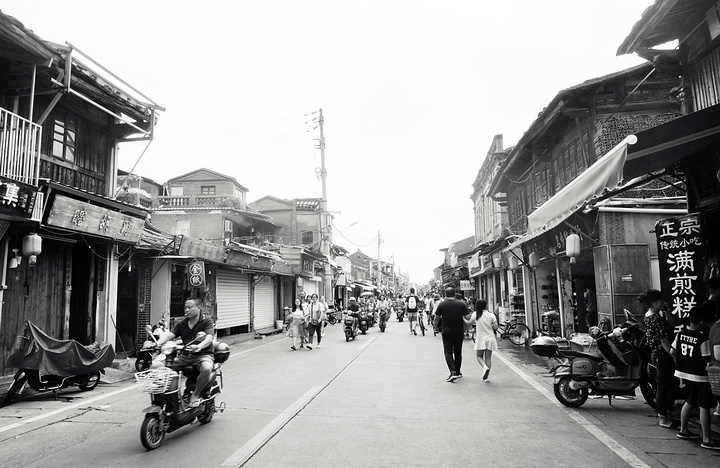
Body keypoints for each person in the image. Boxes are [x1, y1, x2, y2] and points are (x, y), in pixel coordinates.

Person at [670, 306, 720, 449]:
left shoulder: (681, 334)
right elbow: (707, 358)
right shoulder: (702, 339)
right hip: (701, 377)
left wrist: (682, 362)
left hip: (685, 374)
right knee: (704, 406)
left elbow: (672, 351)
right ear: (702, 322)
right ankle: (707, 439)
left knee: (689, 401)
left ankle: (683, 430)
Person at [156, 297, 214, 407]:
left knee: (206, 368)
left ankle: (196, 395)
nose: (186, 310)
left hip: (203, 355)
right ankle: (166, 398)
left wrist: (199, 346)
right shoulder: (181, 323)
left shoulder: (207, 321)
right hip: (185, 355)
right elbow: (169, 335)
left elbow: (209, 338)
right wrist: (157, 344)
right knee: (160, 367)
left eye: (190, 307)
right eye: (185, 308)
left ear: (199, 308)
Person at [639, 289, 678, 428]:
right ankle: (663, 418)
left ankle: (668, 414)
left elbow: (671, 326)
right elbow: (663, 340)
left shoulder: (652, 315)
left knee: (670, 385)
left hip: (660, 355)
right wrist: (673, 355)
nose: (663, 302)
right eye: (661, 301)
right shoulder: (654, 318)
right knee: (663, 387)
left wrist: (667, 311)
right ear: (654, 303)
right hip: (662, 355)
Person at [434, 286, 471, 382]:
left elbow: (436, 318)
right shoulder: (461, 304)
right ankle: (458, 372)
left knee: (448, 351)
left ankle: (452, 372)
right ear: (454, 294)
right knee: (458, 351)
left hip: (446, 331)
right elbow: (467, 317)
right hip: (459, 331)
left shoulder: (442, 304)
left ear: (445, 295)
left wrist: (435, 328)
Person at [472, 299, 499, 381]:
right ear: (486, 305)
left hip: (481, 338)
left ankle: (484, 367)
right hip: (490, 338)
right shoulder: (491, 315)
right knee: (488, 358)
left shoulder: (475, 314)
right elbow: (496, 327)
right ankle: (486, 376)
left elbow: (469, 322)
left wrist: (462, 318)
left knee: (479, 356)